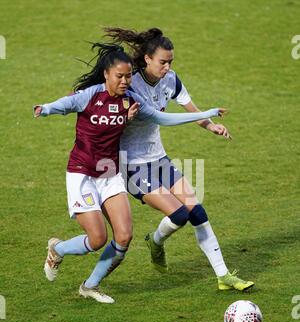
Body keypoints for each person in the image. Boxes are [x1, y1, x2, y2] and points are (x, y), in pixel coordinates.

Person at [34, 43, 225, 303]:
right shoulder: (89, 96)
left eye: (128, 76)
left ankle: (90, 286)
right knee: (98, 238)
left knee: (124, 237)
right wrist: (45, 108)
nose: (125, 81)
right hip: (82, 174)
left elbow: (163, 118)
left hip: (110, 173)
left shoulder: (131, 102)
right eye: (119, 76)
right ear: (106, 75)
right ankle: (57, 249)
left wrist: (207, 115)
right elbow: (65, 104)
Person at [104, 27, 254, 291]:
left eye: (170, 61)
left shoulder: (171, 80)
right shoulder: (131, 84)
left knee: (196, 210)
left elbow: (190, 110)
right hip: (131, 165)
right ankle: (156, 241)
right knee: (179, 213)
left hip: (159, 159)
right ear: (147, 59)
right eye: (162, 61)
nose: (167, 66)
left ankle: (223, 275)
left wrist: (210, 125)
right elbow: (163, 118)